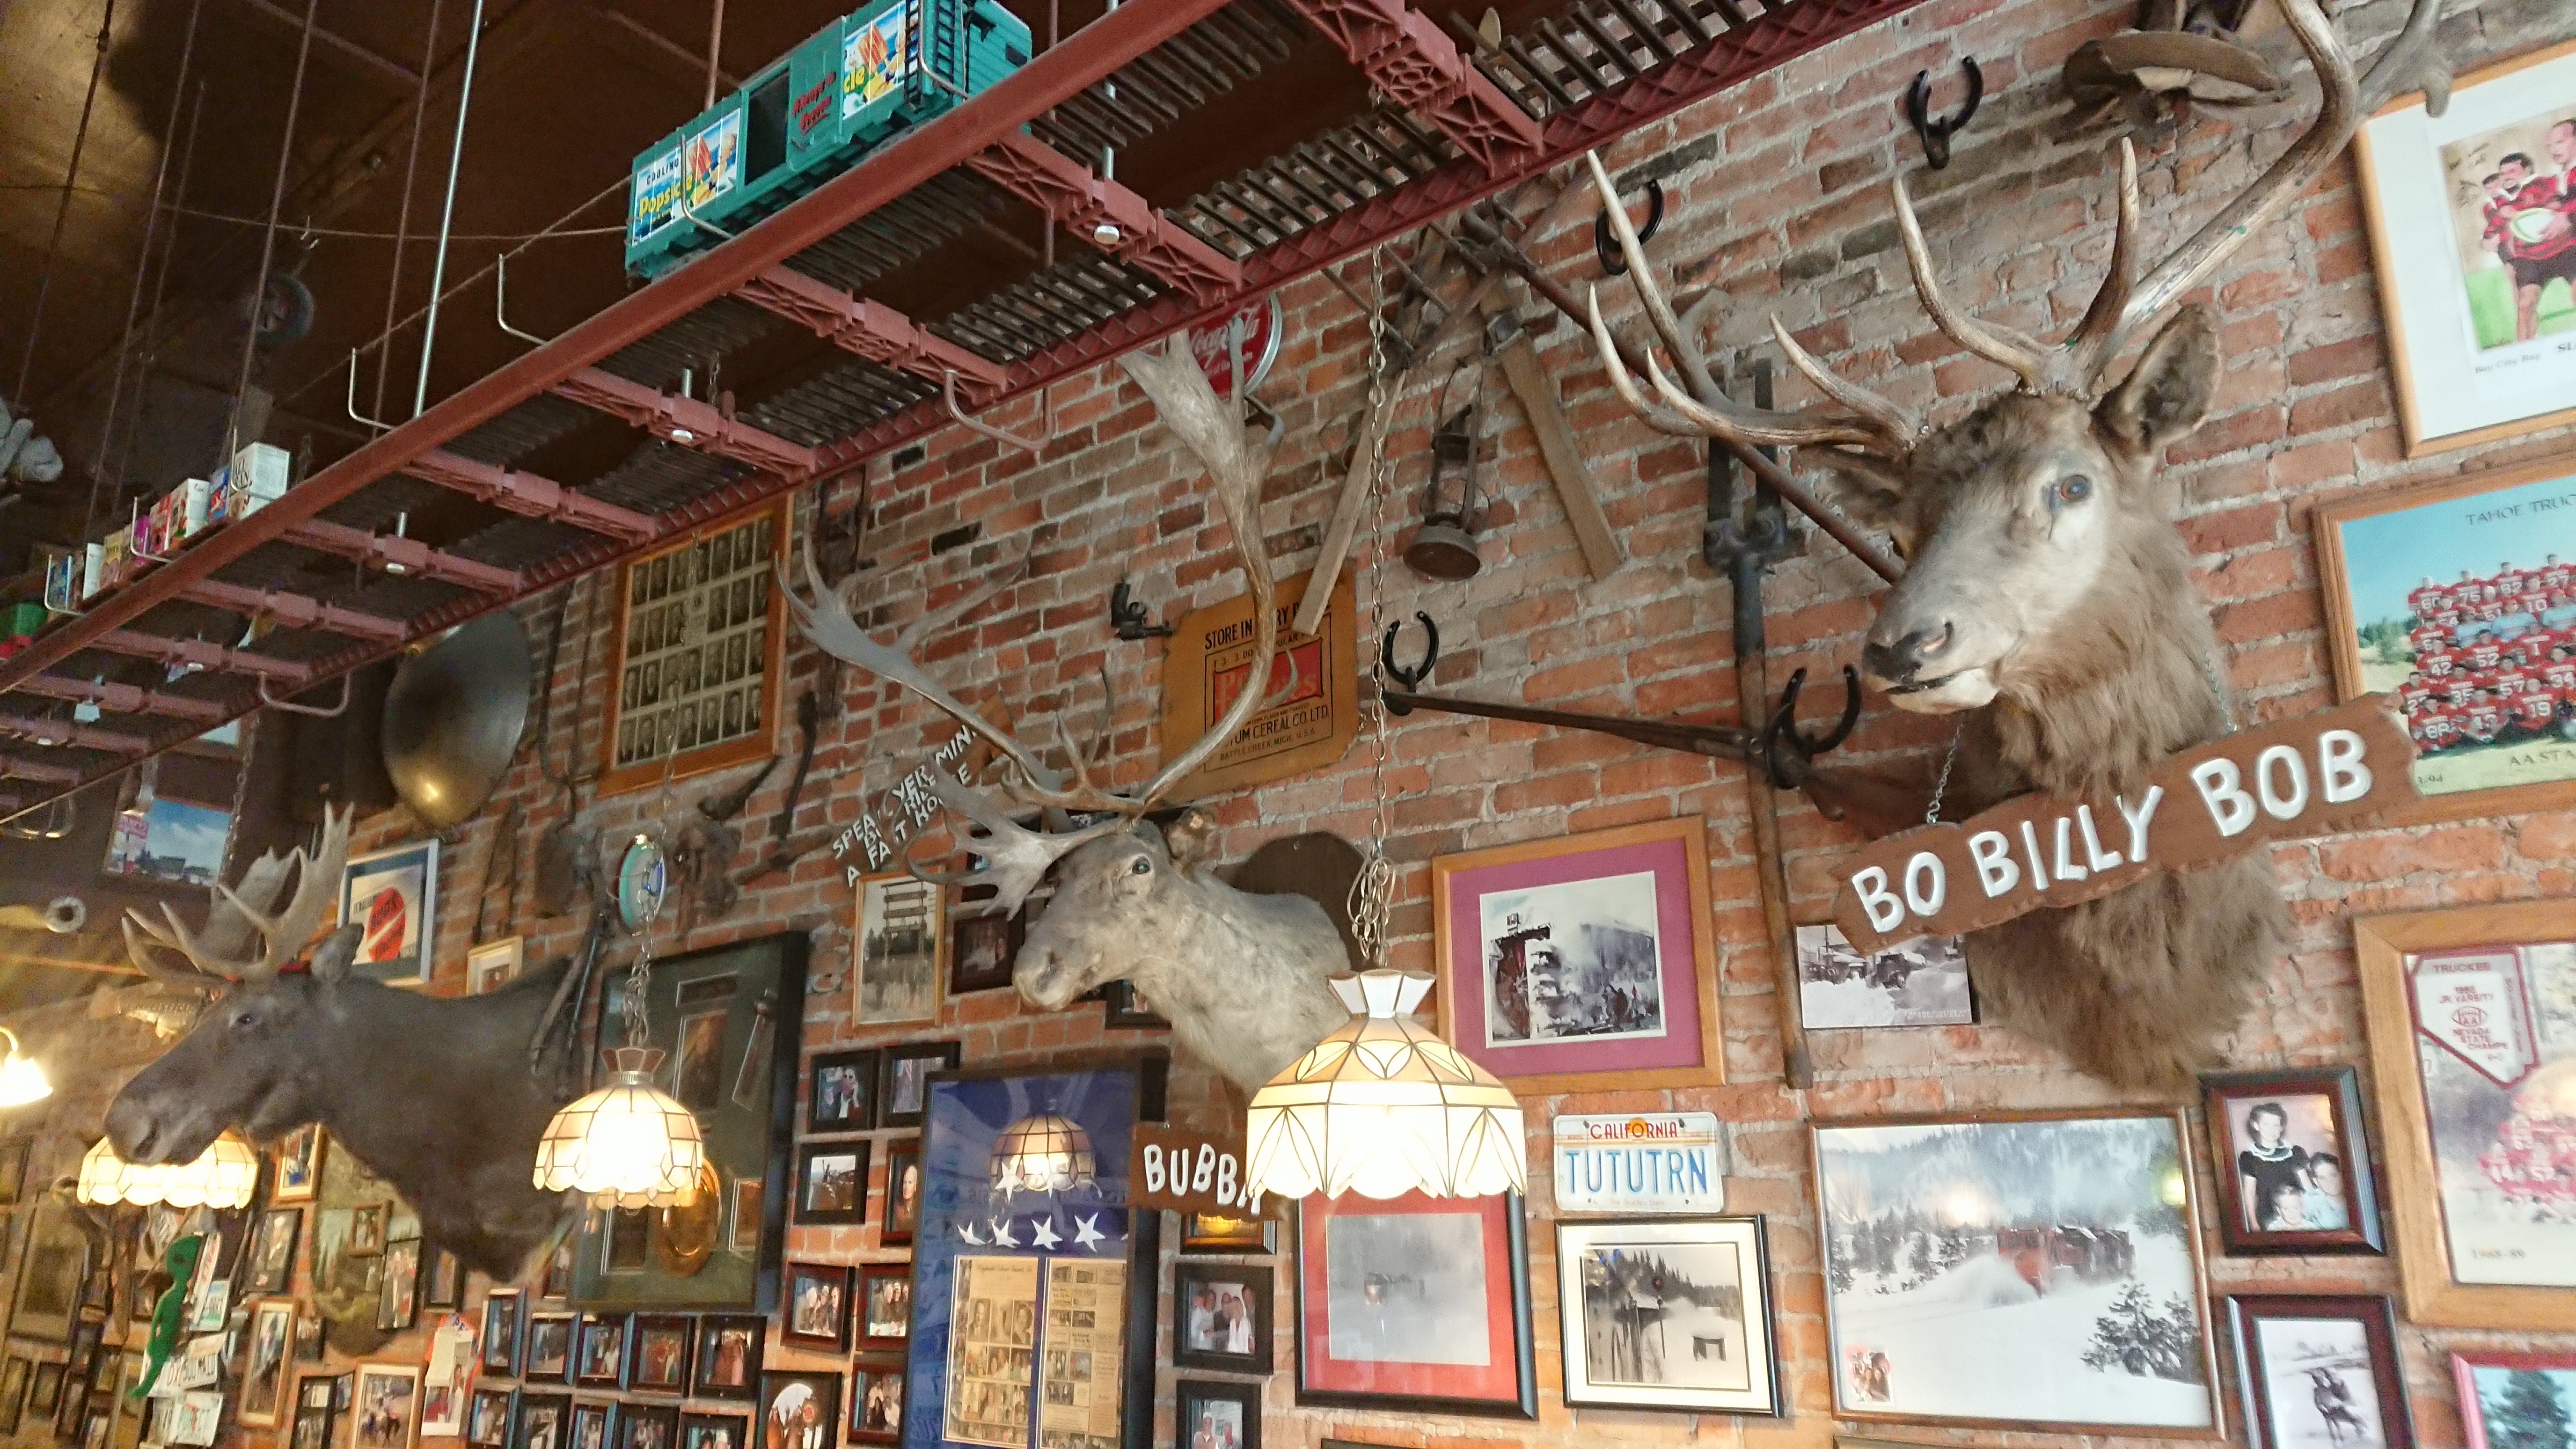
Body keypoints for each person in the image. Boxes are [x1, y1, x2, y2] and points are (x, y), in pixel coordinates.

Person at [2483, 152, 2576, 343]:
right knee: (2525, 306)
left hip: (2563, 250)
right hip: (2531, 259)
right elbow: (2490, 235)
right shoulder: (2499, 202)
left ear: (2527, 169)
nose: (2506, 177)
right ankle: (2526, 352)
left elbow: (2560, 202)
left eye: (2512, 171)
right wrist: (2498, 227)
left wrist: (2552, 207)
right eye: (2503, 173)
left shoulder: (2545, 183)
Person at [2237, 1102, 2313, 1229]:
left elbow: (2307, 1187)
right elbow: (2249, 1194)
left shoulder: (2294, 1153)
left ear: (2282, 1128)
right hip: (2268, 1217)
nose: (2271, 1130)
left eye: (2276, 1125)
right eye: (2266, 1125)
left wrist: (2314, 1213)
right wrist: (2254, 1223)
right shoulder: (2250, 1158)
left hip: (2296, 1215)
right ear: (2256, 1126)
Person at [2303, 1154, 2352, 1230]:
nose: (2330, 1182)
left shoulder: (2357, 1197)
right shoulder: (2311, 1202)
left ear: (2342, 1175)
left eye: (2333, 1175)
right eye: (2322, 1178)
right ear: (2316, 1182)